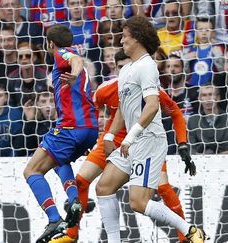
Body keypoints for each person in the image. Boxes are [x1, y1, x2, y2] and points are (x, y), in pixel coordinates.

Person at [50, 50, 194, 243]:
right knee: (82, 181)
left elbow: (175, 112)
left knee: (163, 188)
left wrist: (182, 143)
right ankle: (71, 234)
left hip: (146, 141)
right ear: (116, 68)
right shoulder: (106, 89)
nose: (126, 70)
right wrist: (86, 138)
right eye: (121, 67)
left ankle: (187, 237)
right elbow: (89, 111)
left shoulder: (151, 89)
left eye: (130, 66)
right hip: (112, 141)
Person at [94, 16, 205, 243]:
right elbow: (124, 110)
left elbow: (153, 106)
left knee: (138, 202)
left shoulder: (147, 67)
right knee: (104, 187)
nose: (121, 40)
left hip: (148, 141)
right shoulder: (126, 71)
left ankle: (190, 230)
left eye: (125, 36)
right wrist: (110, 135)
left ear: (136, 37)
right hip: (132, 142)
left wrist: (130, 137)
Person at [22, 24, 98, 243]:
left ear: (51, 43)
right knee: (58, 161)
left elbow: (76, 60)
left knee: (31, 171)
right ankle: (74, 201)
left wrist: (73, 75)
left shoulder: (62, 54)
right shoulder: (74, 63)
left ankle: (54, 218)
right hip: (89, 129)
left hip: (70, 128)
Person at [188, 85, 228, 154]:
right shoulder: (193, 120)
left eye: (211, 94)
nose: (208, 99)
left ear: (218, 98)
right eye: (204, 95)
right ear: (199, 99)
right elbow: (191, 148)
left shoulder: (226, 118)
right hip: (200, 161)